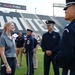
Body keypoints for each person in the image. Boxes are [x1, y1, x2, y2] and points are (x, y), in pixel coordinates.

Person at [56, 0, 75, 75]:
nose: (65, 11)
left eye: (67, 8)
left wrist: (56, 59)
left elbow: (66, 55)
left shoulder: (70, 29)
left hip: (71, 69)